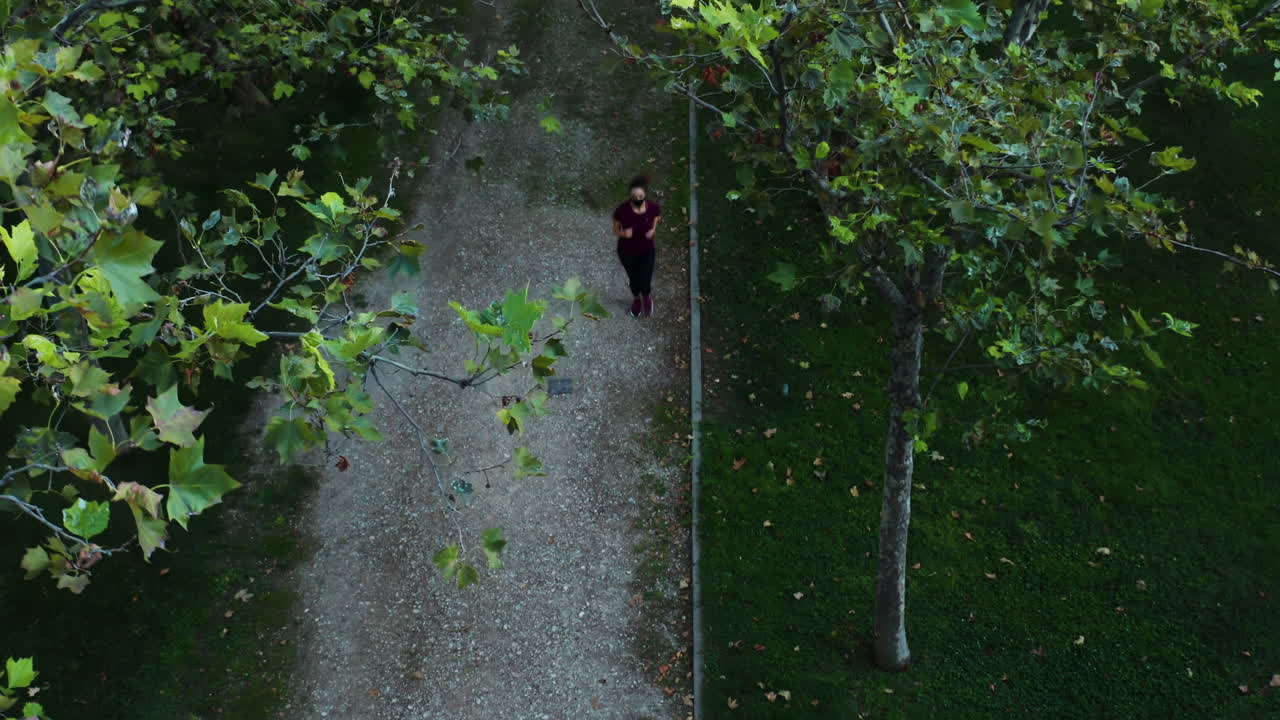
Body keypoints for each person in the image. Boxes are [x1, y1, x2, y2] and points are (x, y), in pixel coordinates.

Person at [611, 176, 661, 318]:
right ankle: (636, 299)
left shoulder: (653, 208)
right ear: (630, 196)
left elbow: (656, 217)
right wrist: (623, 234)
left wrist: (653, 229)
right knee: (634, 278)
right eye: (634, 196)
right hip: (627, 251)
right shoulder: (622, 211)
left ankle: (646, 297)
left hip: (646, 250)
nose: (637, 198)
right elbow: (614, 230)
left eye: (640, 196)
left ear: (645, 195)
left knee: (645, 276)